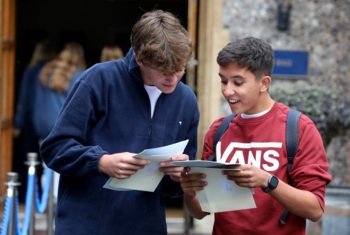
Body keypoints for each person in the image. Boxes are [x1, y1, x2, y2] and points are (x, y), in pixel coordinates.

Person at [40, 10, 199, 235]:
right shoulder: (98, 80)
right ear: (139, 59)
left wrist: (178, 174)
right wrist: (101, 161)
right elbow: (54, 148)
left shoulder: (187, 100)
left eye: (180, 70)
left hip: (147, 227)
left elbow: (174, 189)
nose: (174, 79)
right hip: (86, 225)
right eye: (165, 72)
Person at [180, 37, 332, 235]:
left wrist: (268, 181)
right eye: (223, 81)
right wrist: (190, 193)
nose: (227, 91)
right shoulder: (219, 130)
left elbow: (315, 209)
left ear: (264, 83)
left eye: (238, 82)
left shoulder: (300, 128)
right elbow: (201, 211)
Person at [13, 39, 56, 202]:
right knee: (43, 163)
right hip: (44, 120)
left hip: (31, 121)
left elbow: (24, 100)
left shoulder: (32, 70)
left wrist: (18, 123)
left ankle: (29, 198)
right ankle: (40, 200)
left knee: (29, 161)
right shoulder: (52, 71)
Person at [33, 41, 86, 141]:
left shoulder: (46, 71)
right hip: (62, 128)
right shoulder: (78, 76)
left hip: (42, 126)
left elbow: (37, 101)